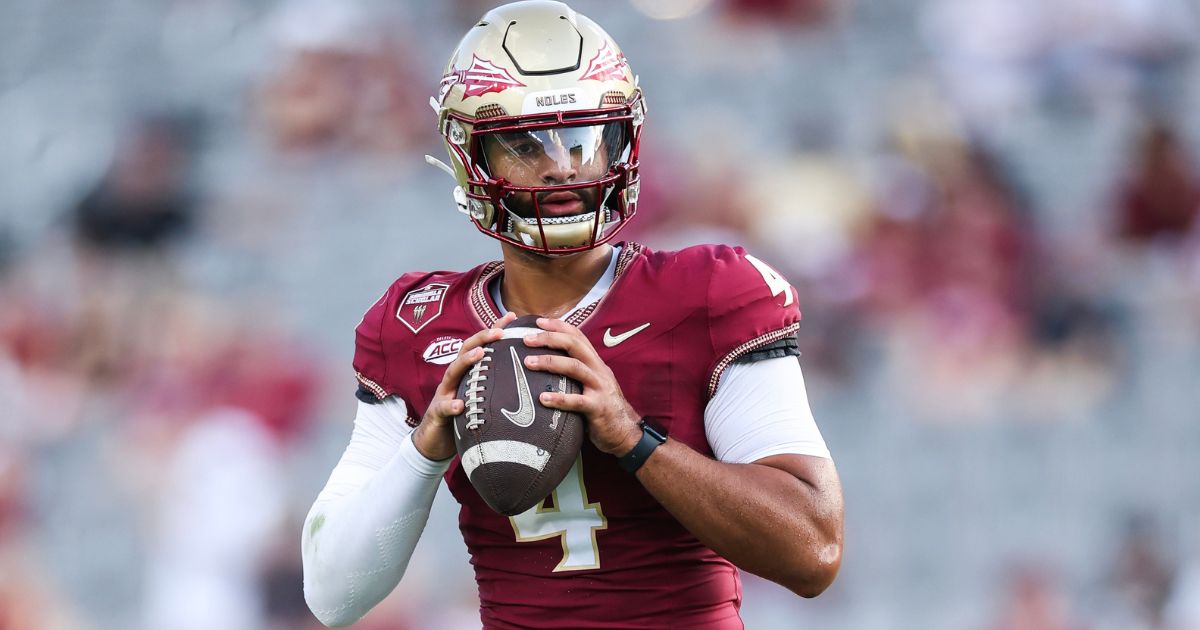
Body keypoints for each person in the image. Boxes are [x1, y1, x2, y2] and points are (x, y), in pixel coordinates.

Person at [301, 2, 844, 628]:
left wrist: (634, 439)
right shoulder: (418, 323)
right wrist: (425, 449)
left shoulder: (709, 293)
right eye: (527, 143)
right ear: (469, 154)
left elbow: (814, 551)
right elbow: (332, 596)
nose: (563, 165)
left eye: (586, 138)